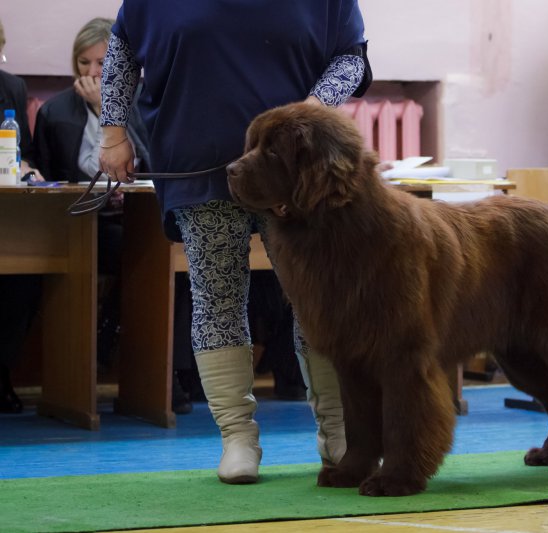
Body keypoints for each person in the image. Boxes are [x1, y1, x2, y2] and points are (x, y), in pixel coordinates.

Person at [98, 1, 371, 484]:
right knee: (216, 297)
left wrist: (315, 106)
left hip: (297, 174)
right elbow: (121, 49)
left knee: (319, 300)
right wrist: (112, 132)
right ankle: (237, 438)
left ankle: (338, 432)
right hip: (197, 161)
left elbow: (350, 56)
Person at [31, 17, 151, 370]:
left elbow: (147, 160)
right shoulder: (55, 110)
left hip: (136, 215)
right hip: (78, 220)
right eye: (84, 62)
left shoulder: (143, 101)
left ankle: (117, 342)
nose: (92, 72)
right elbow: (45, 169)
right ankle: (96, 345)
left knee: (150, 253)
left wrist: (105, 109)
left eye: (102, 63)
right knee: (124, 252)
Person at [0, 17, 43, 413]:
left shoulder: (12, 86)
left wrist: (29, 169)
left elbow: (23, 152)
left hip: (8, 215)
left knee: (26, 275)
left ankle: (3, 374)